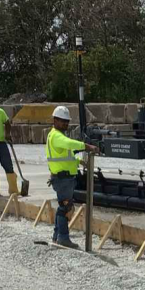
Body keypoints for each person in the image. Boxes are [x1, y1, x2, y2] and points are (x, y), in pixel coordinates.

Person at [46, 105, 97, 248]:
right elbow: (69, 144)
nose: (65, 123)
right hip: (63, 179)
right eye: (63, 121)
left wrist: (78, 161)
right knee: (66, 207)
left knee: (62, 206)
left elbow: (63, 157)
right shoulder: (57, 136)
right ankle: (63, 238)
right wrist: (87, 146)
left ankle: (57, 237)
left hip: (62, 177)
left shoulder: (56, 135)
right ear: (55, 120)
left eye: (67, 121)